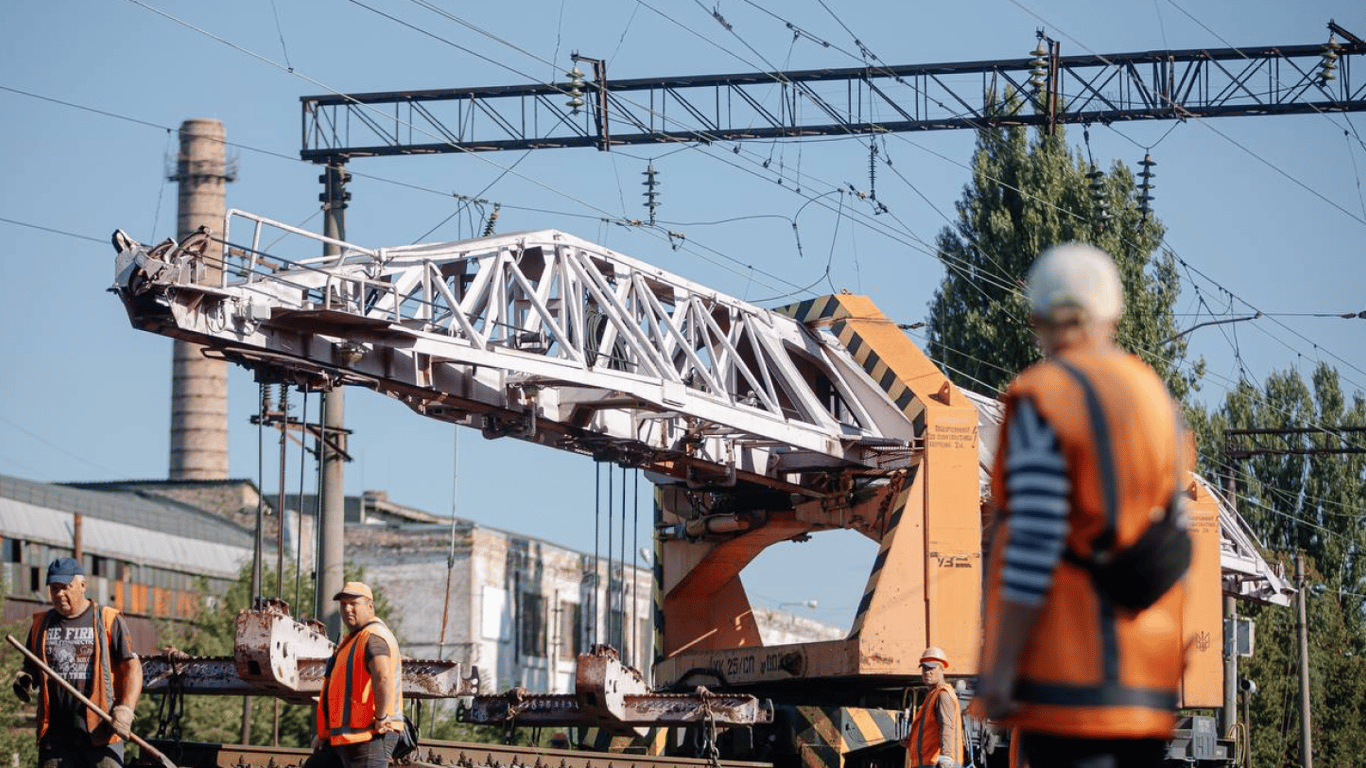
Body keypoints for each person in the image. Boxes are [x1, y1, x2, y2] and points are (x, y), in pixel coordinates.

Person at [973, 243, 1191, 768]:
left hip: (1067, 679)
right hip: (1147, 683)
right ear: (1112, 313)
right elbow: (1176, 536)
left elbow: (1035, 540)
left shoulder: (1046, 399)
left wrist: (1000, 667)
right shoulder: (1156, 400)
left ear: (1041, 318)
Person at [13, 557, 142, 768]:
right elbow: (32, 665)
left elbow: (132, 668)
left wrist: (126, 709)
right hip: (55, 737)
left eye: (66, 587)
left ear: (82, 585)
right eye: (54, 588)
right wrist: (26, 678)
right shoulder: (40, 624)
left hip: (100, 733)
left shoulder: (108, 620)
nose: (59, 594)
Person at [306, 581, 405, 768]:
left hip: (370, 736)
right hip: (347, 738)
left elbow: (382, 677)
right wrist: (324, 735)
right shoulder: (353, 641)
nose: (347, 609)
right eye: (343, 605)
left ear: (370, 606)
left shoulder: (373, 636)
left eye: (353, 604)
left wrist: (382, 717)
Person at [906, 646, 964, 768]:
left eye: (932, 668)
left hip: (936, 764)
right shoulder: (933, 695)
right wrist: (911, 740)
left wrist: (946, 758)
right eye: (924, 669)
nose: (927, 672)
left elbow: (946, 726)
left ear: (942, 669)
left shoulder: (943, 694)